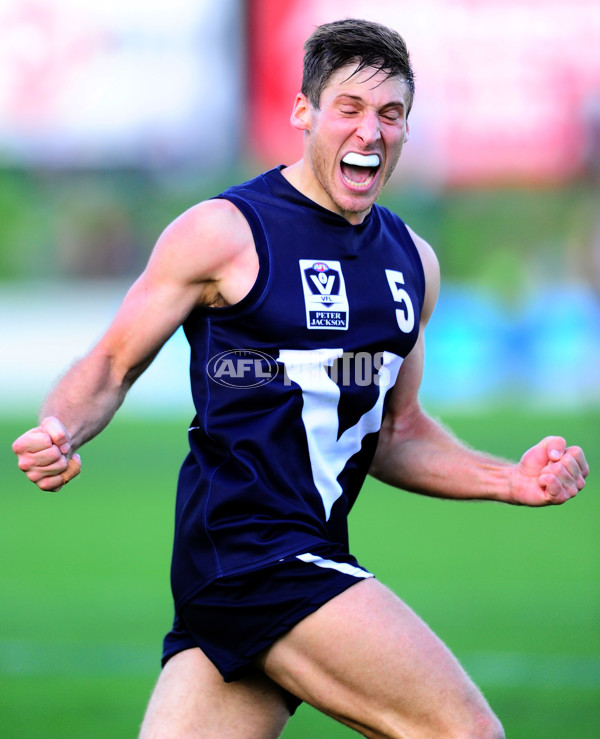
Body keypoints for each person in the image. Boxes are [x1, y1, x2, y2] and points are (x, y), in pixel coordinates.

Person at [12, 18, 588, 739]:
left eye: (391, 113)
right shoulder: (225, 231)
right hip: (253, 555)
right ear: (304, 112)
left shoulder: (414, 262)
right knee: (463, 732)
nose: (370, 131)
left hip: (291, 557)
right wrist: (61, 426)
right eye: (349, 107)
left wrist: (506, 479)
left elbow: (396, 431)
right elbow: (109, 363)